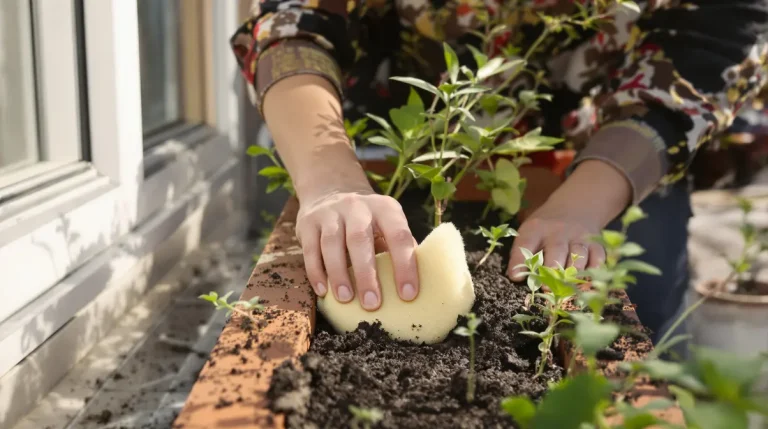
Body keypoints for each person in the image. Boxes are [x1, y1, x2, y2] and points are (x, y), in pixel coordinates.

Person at [231, 0, 768, 341]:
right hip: (418, 145)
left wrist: (583, 203)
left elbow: (716, 37)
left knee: (634, 329)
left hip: (614, 149)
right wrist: (328, 179)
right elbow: (297, 24)